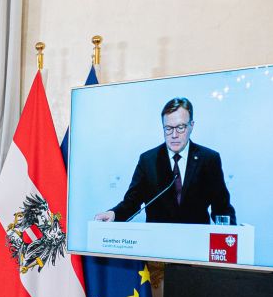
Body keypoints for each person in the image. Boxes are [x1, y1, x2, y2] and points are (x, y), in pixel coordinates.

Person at [94, 96, 236, 225]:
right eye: (168, 128)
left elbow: (222, 207)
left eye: (180, 127)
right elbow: (132, 202)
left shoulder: (209, 159)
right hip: (156, 243)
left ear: (191, 126)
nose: (174, 135)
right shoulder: (147, 160)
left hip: (196, 243)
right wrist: (113, 213)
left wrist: (231, 239)